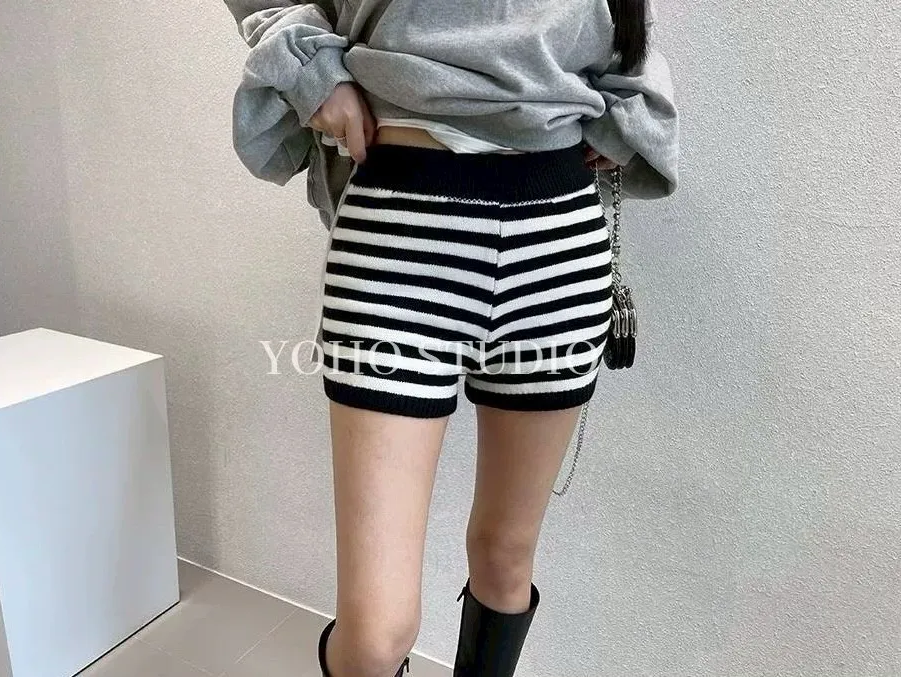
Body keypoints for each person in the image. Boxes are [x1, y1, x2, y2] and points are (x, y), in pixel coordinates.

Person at [222, 0, 679, 674]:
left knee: (505, 558)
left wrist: (628, 111)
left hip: (556, 239)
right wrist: (311, 69)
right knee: (376, 634)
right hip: (399, 230)